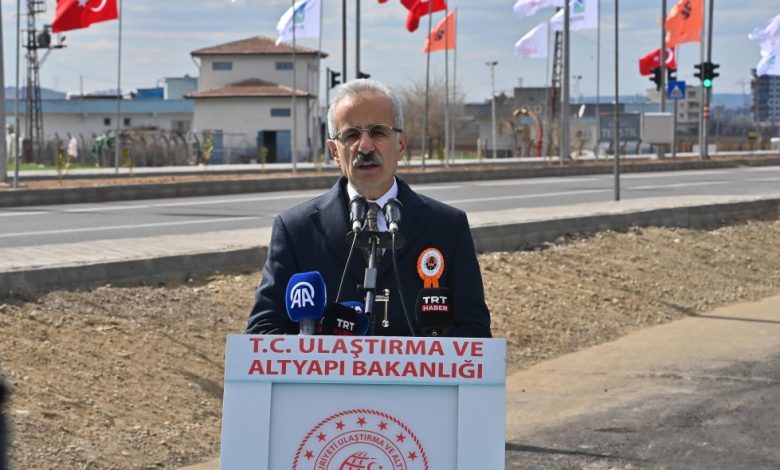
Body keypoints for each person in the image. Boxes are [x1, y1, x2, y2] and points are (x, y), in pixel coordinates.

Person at [247, 78, 491, 338]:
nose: (364, 146)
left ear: (401, 143)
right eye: (351, 135)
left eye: (377, 132)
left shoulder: (447, 226)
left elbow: (474, 331)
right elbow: (264, 330)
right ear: (333, 150)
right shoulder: (296, 229)